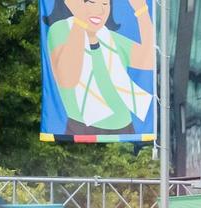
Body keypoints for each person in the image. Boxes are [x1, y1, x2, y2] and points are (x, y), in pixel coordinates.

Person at [44, 0, 155, 136]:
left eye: (105, 4)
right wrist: (79, 19)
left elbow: (150, 60)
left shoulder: (109, 37)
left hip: (125, 129)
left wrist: (141, 10)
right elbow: (67, 80)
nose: (100, 10)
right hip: (81, 129)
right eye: (92, 2)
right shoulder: (61, 29)